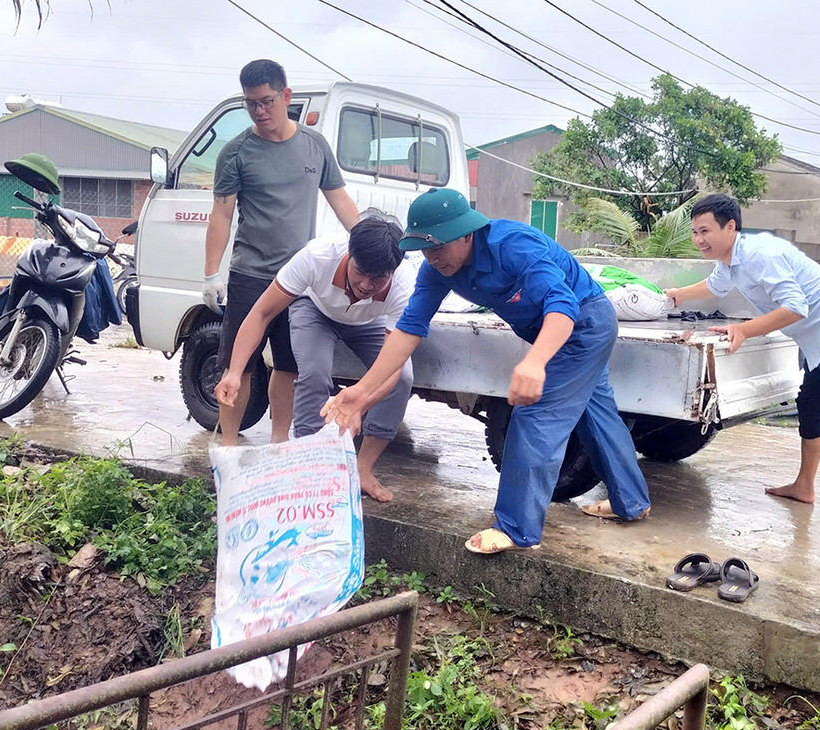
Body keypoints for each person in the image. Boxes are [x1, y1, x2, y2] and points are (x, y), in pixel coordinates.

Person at [320, 188, 651, 554]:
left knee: (536, 417)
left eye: (438, 246)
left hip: (583, 323)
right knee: (595, 411)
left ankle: (516, 529)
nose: (432, 257)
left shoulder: (513, 246)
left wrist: (535, 361)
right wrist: (361, 391)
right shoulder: (437, 269)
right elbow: (410, 328)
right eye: (424, 249)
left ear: (467, 234)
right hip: (552, 329)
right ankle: (632, 501)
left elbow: (563, 305)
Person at [664, 194, 820, 538]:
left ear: (730, 226)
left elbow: (796, 307)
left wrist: (744, 329)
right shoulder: (730, 262)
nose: (699, 240)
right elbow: (714, 286)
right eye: (695, 232)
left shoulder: (760, 255)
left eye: (705, 231)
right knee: (812, 407)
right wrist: (678, 293)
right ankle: (804, 486)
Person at [204, 58, 361, 446]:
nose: (260, 111)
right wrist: (210, 274)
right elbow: (221, 214)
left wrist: (369, 243)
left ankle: (279, 444)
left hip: (299, 280)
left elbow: (341, 202)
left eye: (267, 101)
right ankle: (228, 445)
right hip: (250, 274)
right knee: (237, 366)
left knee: (288, 366)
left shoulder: (314, 146)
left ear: (286, 96)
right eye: (251, 104)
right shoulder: (237, 152)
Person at [213, 219, 415, 503]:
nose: (366, 285)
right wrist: (234, 372)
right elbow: (262, 313)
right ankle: (306, 461)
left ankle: (363, 469)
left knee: (404, 378)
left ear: (393, 272)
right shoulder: (316, 257)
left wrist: (362, 402)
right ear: (349, 253)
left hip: (369, 321)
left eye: (379, 279)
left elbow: (393, 364)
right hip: (316, 310)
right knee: (314, 371)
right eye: (361, 272)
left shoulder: (404, 285)